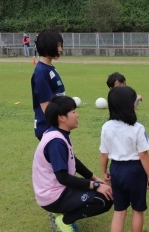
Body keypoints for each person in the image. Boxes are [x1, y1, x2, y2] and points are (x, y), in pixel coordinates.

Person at [32, 95, 113, 232]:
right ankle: (64, 221)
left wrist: (94, 178)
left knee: (103, 192)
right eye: (73, 112)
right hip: (53, 195)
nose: (77, 115)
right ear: (61, 117)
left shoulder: (59, 133)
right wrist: (96, 186)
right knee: (104, 199)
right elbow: (63, 178)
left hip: (57, 190)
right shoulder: (56, 142)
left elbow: (72, 159)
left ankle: (61, 211)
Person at [99, 85, 149, 232]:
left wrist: (104, 172)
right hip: (135, 171)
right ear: (129, 105)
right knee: (137, 210)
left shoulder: (106, 127)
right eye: (134, 100)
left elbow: (104, 153)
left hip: (116, 169)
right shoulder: (137, 128)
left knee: (119, 211)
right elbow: (143, 155)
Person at [31, 28, 65, 141]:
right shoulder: (41, 72)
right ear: (48, 46)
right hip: (48, 128)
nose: (61, 49)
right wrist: (60, 124)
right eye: (58, 46)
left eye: (61, 45)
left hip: (55, 127)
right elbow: (46, 106)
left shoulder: (48, 68)